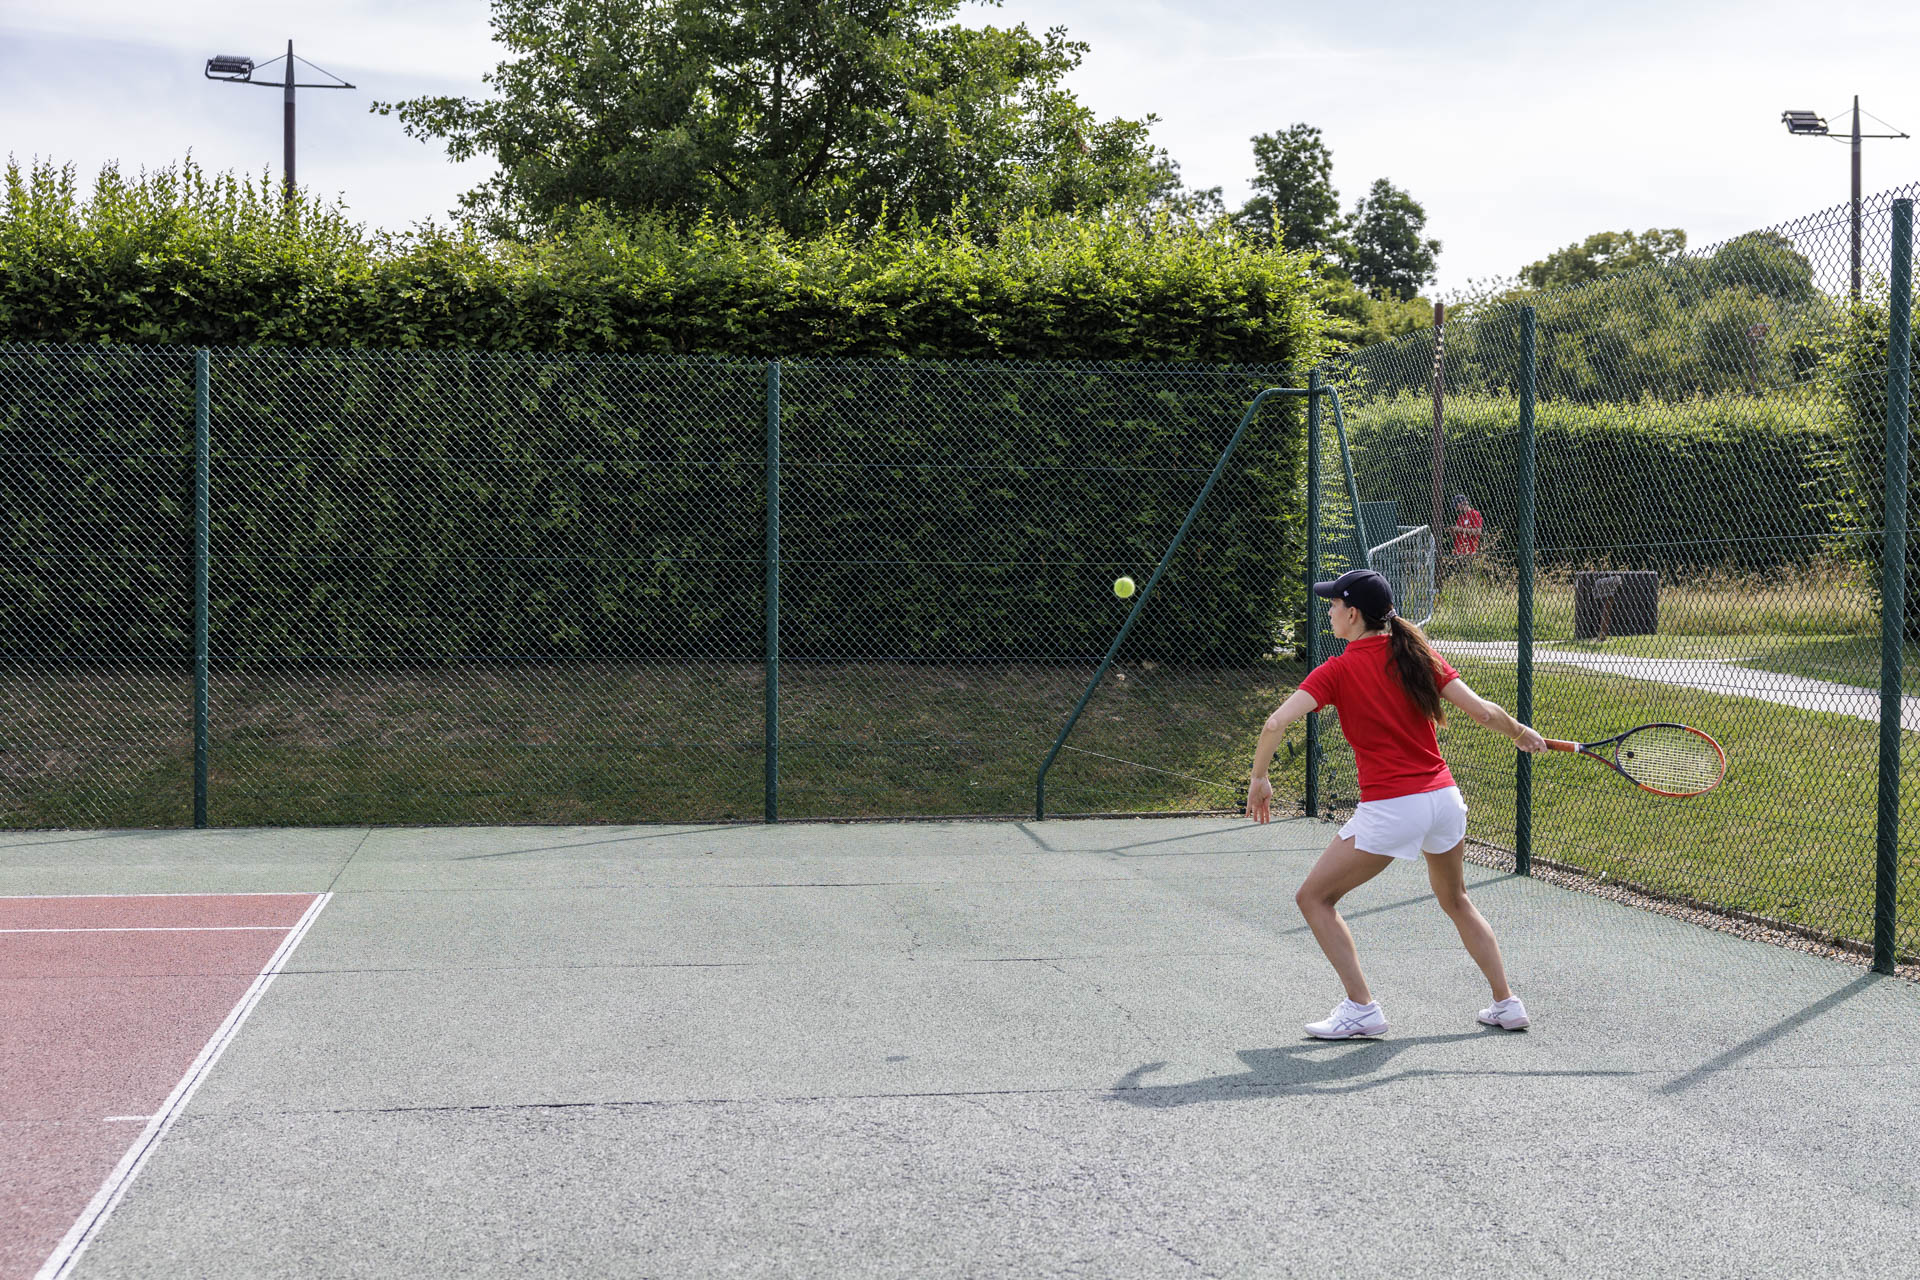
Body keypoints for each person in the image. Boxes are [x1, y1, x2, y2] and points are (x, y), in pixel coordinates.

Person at [1244, 568, 1546, 1039]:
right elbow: (1483, 712)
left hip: (1393, 807)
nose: (1329, 612)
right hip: (1444, 800)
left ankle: (1361, 1009)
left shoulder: (1337, 670)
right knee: (1457, 899)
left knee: (1314, 898)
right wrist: (1521, 732)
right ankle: (1506, 1003)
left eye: (1334, 605)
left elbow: (1274, 723)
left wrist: (1259, 777)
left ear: (1353, 614)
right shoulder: (1418, 655)